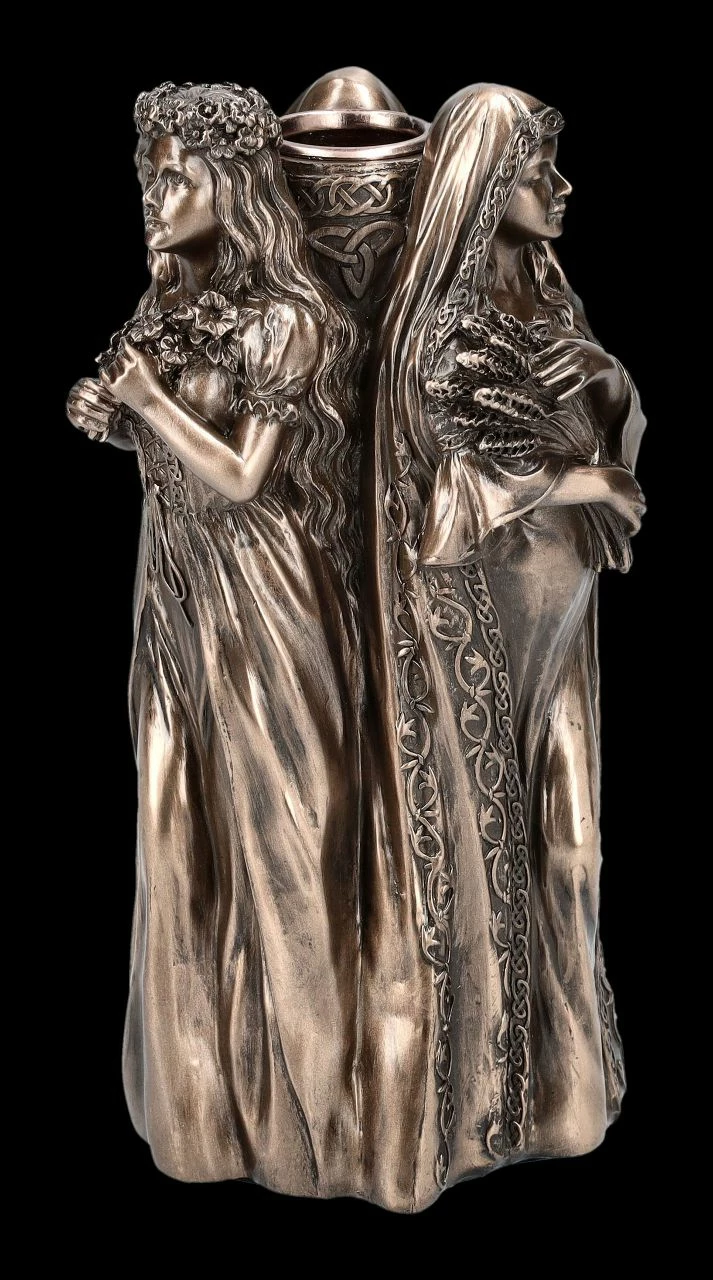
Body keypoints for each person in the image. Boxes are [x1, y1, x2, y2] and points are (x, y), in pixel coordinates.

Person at [66, 81, 364, 1197]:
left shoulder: (289, 318)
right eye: (148, 177)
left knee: (286, 846)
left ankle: (321, 1124)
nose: (156, 198)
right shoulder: (169, 311)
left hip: (265, 599)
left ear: (233, 187)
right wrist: (113, 415)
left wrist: (148, 401)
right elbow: (160, 432)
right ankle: (200, 1106)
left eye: (177, 177)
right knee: (172, 818)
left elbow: (243, 475)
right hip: (176, 586)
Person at [366, 82, 646, 1206]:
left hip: (560, 621)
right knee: (490, 849)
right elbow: (445, 498)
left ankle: (567, 1082)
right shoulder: (436, 327)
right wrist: (584, 480)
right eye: (538, 171)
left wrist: (606, 388)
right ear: (485, 188)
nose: (560, 188)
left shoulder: (545, 298)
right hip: (479, 636)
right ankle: (487, 1096)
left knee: (569, 845)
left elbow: (601, 409)